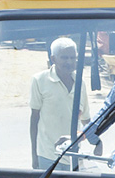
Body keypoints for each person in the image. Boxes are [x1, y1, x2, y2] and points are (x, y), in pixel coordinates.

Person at [29, 36, 97, 169]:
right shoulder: (39, 80)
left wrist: (96, 141)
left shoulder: (80, 83)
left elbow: (85, 119)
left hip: (73, 156)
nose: (69, 62)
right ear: (53, 59)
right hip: (48, 156)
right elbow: (34, 120)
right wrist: (34, 155)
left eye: (72, 58)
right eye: (64, 58)